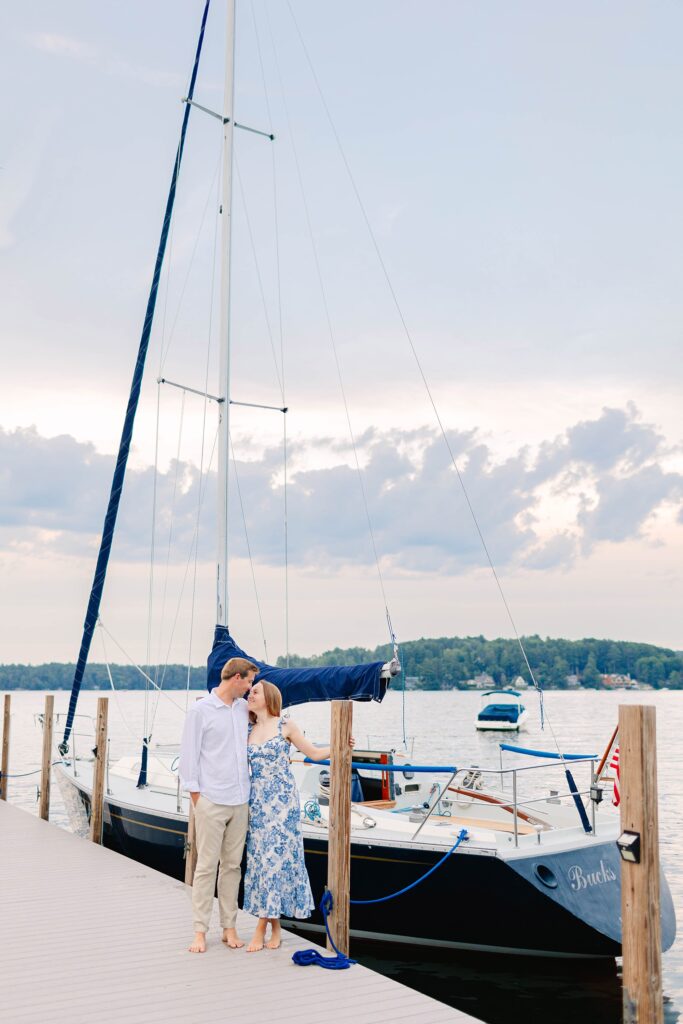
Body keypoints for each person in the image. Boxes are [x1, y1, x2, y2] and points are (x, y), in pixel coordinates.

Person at [243, 680, 335, 952]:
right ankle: (276, 926)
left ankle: (261, 926)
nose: (250, 694)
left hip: (282, 802)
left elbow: (315, 753)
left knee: (277, 860)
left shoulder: (286, 725)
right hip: (257, 802)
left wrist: (341, 743)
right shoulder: (248, 727)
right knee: (261, 861)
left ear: (269, 697)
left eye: (255, 691)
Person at [179, 656, 258, 954]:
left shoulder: (243, 709)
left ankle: (229, 927)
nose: (251, 687)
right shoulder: (200, 711)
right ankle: (200, 931)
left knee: (233, 867)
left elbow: (274, 721)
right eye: (249, 681)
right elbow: (188, 758)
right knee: (206, 867)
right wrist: (199, 800)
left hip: (240, 800)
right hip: (211, 800)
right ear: (236, 678)